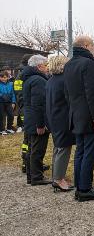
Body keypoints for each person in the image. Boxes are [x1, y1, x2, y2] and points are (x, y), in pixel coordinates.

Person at [64, 35, 94, 201]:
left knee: (80, 152)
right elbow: (92, 93)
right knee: (90, 152)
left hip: (75, 115)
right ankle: (85, 189)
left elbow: (67, 93)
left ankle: (80, 187)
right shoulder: (88, 64)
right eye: (93, 45)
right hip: (89, 116)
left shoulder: (69, 65)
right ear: (86, 45)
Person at [46, 55, 75, 192]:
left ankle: (56, 177)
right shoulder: (64, 80)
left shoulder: (51, 80)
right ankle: (58, 179)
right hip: (63, 118)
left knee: (58, 148)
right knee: (63, 148)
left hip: (54, 117)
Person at [23, 55, 51, 185]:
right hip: (36, 120)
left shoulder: (29, 79)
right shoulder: (38, 80)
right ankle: (37, 177)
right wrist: (40, 124)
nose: (47, 68)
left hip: (30, 118)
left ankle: (31, 176)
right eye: (46, 65)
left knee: (32, 148)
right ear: (39, 66)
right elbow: (38, 104)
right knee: (37, 149)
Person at [14, 55, 32, 173]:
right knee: (29, 137)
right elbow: (21, 94)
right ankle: (27, 163)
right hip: (26, 109)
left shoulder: (20, 74)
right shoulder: (24, 74)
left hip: (23, 109)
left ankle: (27, 162)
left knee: (27, 137)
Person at [0, 70, 16, 135]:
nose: (4, 79)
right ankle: (2, 129)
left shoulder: (10, 84)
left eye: (5, 77)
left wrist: (13, 102)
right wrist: (2, 95)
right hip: (1, 102)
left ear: (7, 77)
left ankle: (9, 128)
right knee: (1, 116)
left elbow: (13, 93)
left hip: (9, 102)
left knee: (11, 115)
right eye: (2, 77)